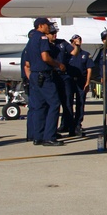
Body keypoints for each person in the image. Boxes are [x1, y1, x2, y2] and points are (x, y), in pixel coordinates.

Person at [24, 18, 65, 146]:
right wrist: (58, 64)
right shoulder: (42, 38)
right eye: (47, 25)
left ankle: (38, 136)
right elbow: (45, 57)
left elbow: (27, 63)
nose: (49, 28)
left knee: (39, 106)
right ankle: (49, 137)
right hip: (44, 75)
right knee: (54, 104)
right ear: (41, 26)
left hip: (35, 76)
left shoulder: (30, 41)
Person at [46, 26, 75, 135]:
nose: (54, 35)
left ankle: (70, 127)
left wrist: (76, 45)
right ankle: (52, 130)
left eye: (55, 33)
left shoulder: (62, 43)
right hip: (52, 76)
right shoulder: (45, 44)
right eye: (52, 33)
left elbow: (73, 52)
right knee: (53, 103)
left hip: (64, 76)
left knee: (67, 103)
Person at [67, 34, 94, 135]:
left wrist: (87, 82)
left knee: (80, 103)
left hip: (81, 81)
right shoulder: (68, 55)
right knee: (68, 103)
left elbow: (89, 69)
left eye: (75, 41)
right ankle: (70, 125)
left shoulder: (86, 55)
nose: (73, 43)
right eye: (72, 41)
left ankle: (78, 125)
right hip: (69, 81)